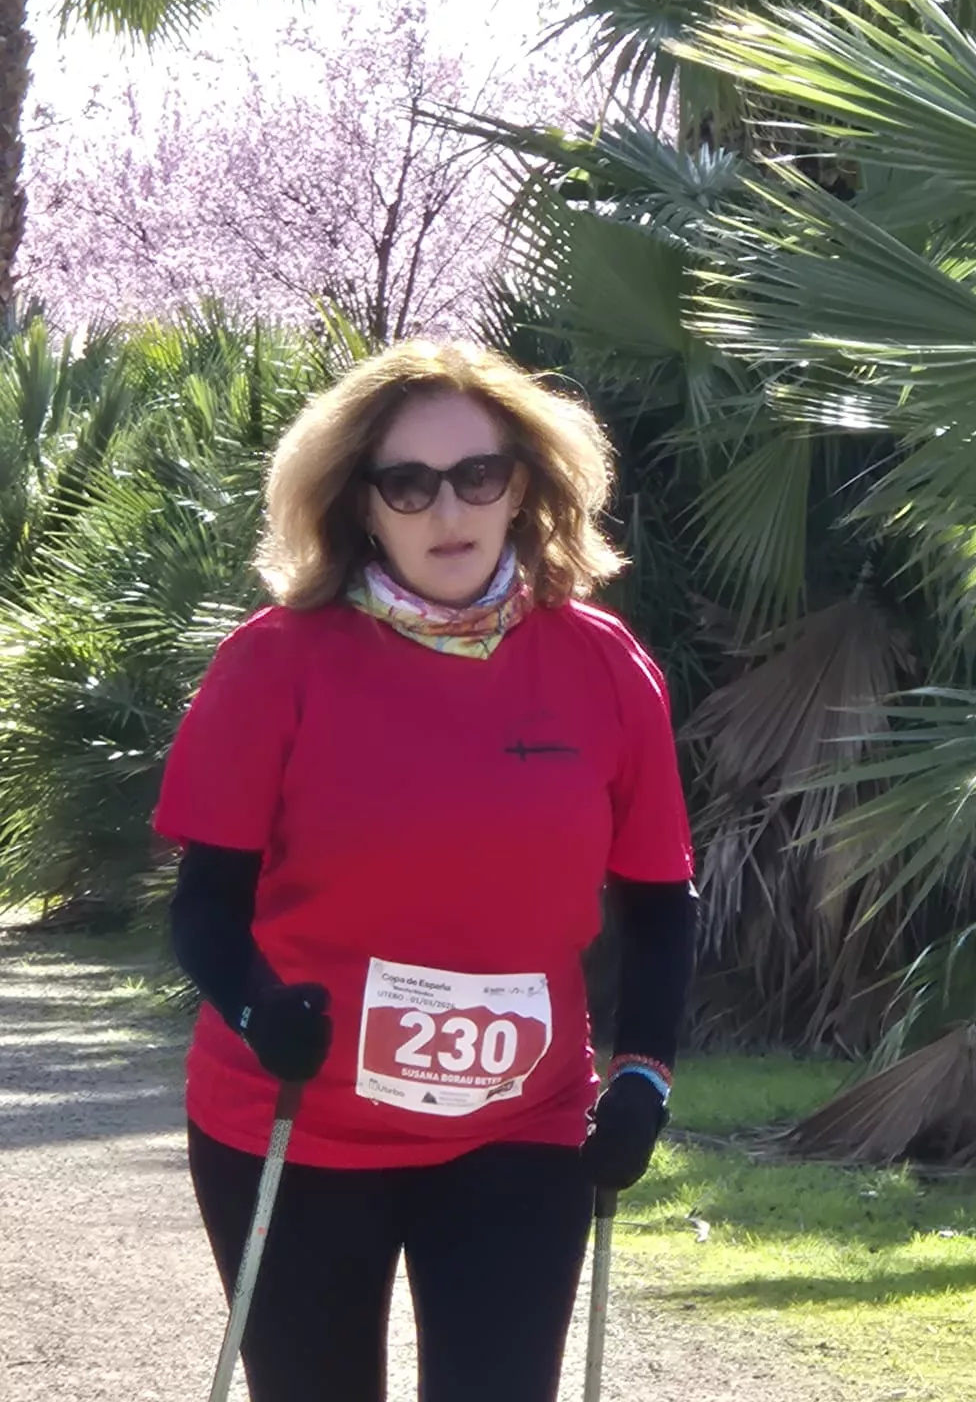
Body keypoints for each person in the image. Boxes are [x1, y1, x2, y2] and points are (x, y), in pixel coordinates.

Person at [155, 339, 695, 1402]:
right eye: (408, 483)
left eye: (476, 475)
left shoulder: (600, 663)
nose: (447, 510)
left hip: (518, 1123)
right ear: (361, 503)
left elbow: (660, 900)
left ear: (524, 485)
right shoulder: (275, 661)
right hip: (298, 1119)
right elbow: (205, 907)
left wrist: (645, 1069)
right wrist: (258, 1007)